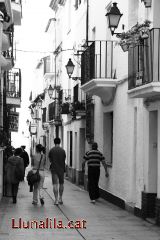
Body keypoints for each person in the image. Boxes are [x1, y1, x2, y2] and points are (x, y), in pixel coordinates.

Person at [48, 138, 66, 205]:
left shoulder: (51, 150)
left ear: (54, 142)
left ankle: (55, 200)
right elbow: (64, 159)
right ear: (60, 142)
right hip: (61, 169)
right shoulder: (63, 151)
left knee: (55, 184)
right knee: (61, 184)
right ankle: (60, 198)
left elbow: (50, 160)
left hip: (54, 169)